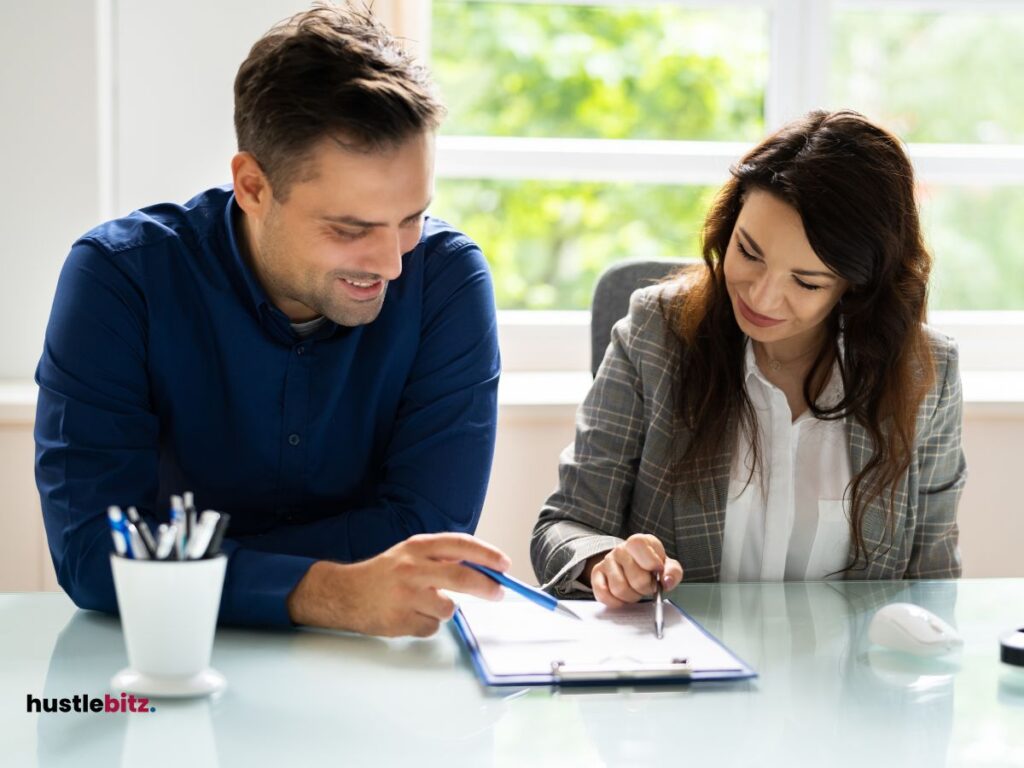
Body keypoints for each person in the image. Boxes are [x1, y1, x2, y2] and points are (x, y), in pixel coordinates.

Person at [35, 4, 509, 636]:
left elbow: (421, 535)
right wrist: (326, 592)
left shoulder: (447, 281)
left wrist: (195, 560)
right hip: (164, 663)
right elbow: (91, 551)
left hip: (367, 671)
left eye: (411, 217)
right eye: (350, 229)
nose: (393, 263)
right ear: (253, 186)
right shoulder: (121, 278)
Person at [532, 110, 966, 607]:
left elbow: (934, 581)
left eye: (805, 282)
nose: (761, 296)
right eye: (749, 251)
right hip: (690, 676)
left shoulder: (925, 374)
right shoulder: (656, 334)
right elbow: (564, 525)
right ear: (727, 225)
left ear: (858, 287)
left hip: (850, 681)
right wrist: (603, 562)